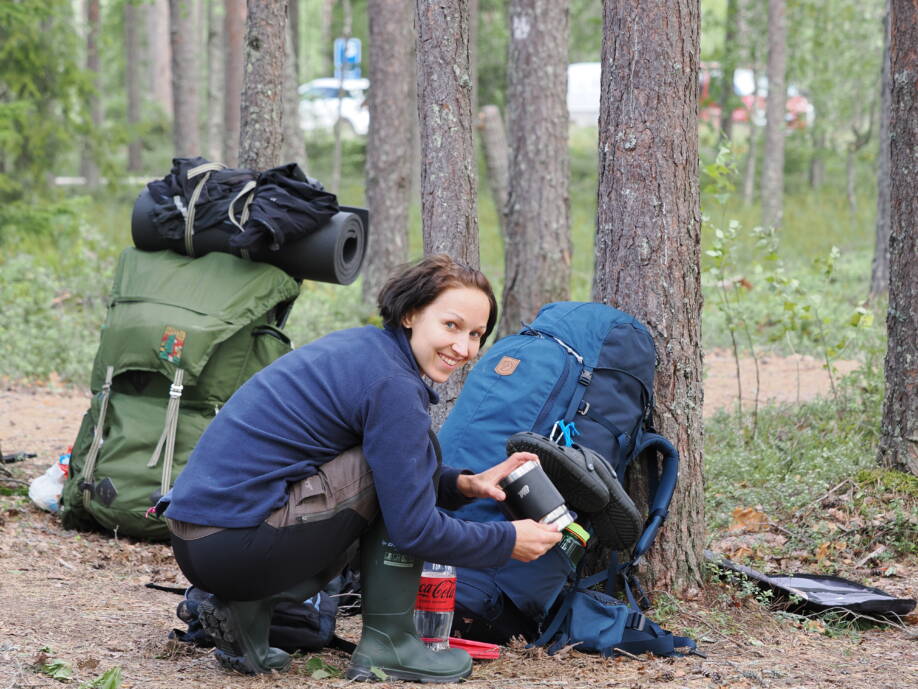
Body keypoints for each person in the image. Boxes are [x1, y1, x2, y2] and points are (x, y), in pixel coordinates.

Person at [162, 254, 562, 682]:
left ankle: (247, 613)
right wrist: (507, 541)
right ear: (411, 313)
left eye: (476, 334)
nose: (464, 348)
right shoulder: (393, 386)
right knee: (402, 475)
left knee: (401, 467)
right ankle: (391, 645)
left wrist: (464, 484)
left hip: (199, 540)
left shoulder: (364, 350)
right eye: (451, 325)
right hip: (237, 544)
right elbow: (414, 529)